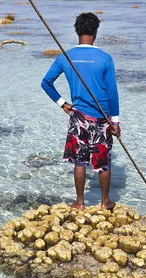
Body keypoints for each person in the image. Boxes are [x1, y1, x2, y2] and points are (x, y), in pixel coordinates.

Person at [41, 12, 120, 210]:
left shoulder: (65, 57)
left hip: (78, 117)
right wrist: (116, 122)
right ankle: (105, 202)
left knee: (79, 161)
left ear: (77, 31)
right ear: (96, 32)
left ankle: (79, 203)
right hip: (102, 118)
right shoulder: (105, 58)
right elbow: (112, 92)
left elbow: (46, 83)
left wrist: (62, 103)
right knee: (103, 162)